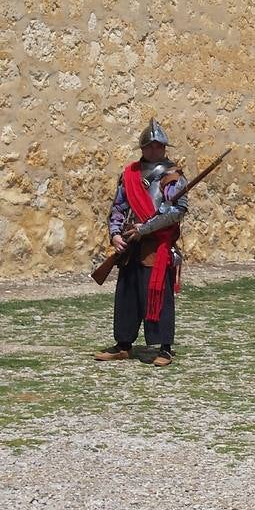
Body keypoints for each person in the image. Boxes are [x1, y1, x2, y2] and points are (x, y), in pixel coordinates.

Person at [97, 119, 188, 367]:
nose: (154, 150)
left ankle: (165, 348)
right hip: (131, 242)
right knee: (126, 294)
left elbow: (176, 211)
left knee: (159, 295)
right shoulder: (130, 174)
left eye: (159, 146)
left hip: (157, 244)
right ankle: (123, 344)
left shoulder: (173, 176)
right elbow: (118, 207)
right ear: (143, 147)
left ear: (164, 147)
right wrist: (115, 234)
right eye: (150, 146)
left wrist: (145, 228)